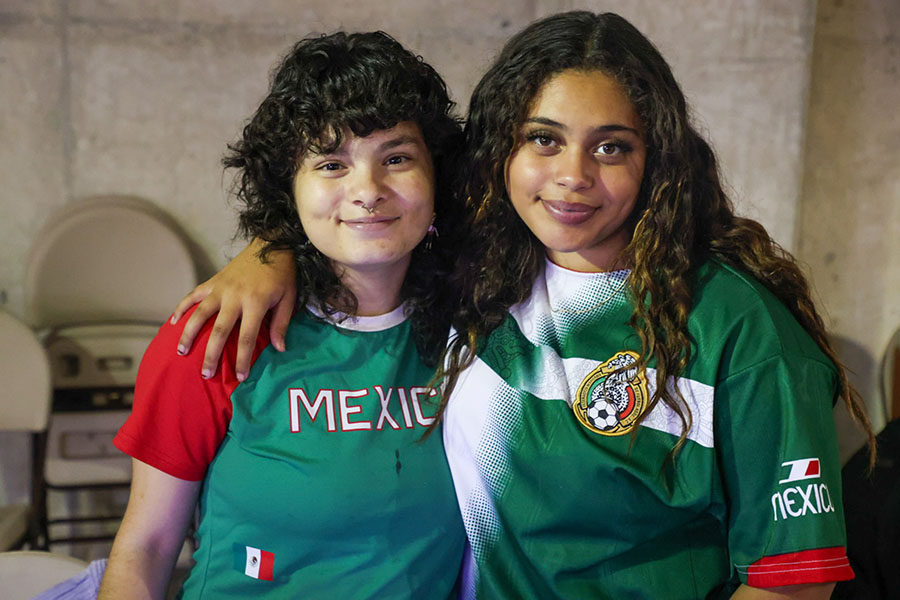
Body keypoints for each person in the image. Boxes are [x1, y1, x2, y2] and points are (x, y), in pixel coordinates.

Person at [170, 12, 875, 600]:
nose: (572, 177)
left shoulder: (737, 329)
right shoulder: (477, 271)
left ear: (658, 159)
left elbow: (792, 582)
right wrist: (270, 251)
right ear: (501, 150)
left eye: (612, 147)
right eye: (544, 139)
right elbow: (365, 208)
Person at [99, 31, 465, 599]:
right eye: (330, 163)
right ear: (287, 189)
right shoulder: (216, 334)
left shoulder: (475, 331)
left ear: (438, 178)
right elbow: (144, 549)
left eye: (396, 158)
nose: (367, 191)